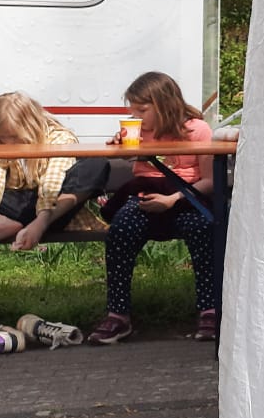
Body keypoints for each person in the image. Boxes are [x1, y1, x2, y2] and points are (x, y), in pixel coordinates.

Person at [89, 71, 221, 346]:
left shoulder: (197, 130)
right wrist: (120, 147)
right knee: (121, 230)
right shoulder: (137, 132)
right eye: (133, 110)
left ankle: (210, 310)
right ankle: (118, 314)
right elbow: (133, 167)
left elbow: (209, 181)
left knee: (203, 229)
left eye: (142, 110)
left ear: (164, 104)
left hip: (185, 198)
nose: (136, 116)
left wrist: (172, 199)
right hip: (146, 196)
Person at [0, 92, 112, 250]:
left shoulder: (59, 138)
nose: (9, 142)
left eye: (14, 136)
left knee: (96, 163)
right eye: (3, 137)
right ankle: (3, 222)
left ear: (30, 126)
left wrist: (40, 223)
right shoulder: (0, 143)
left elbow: (52, 181)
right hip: (18, 205)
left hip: (53, 211)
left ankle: (13, 224)